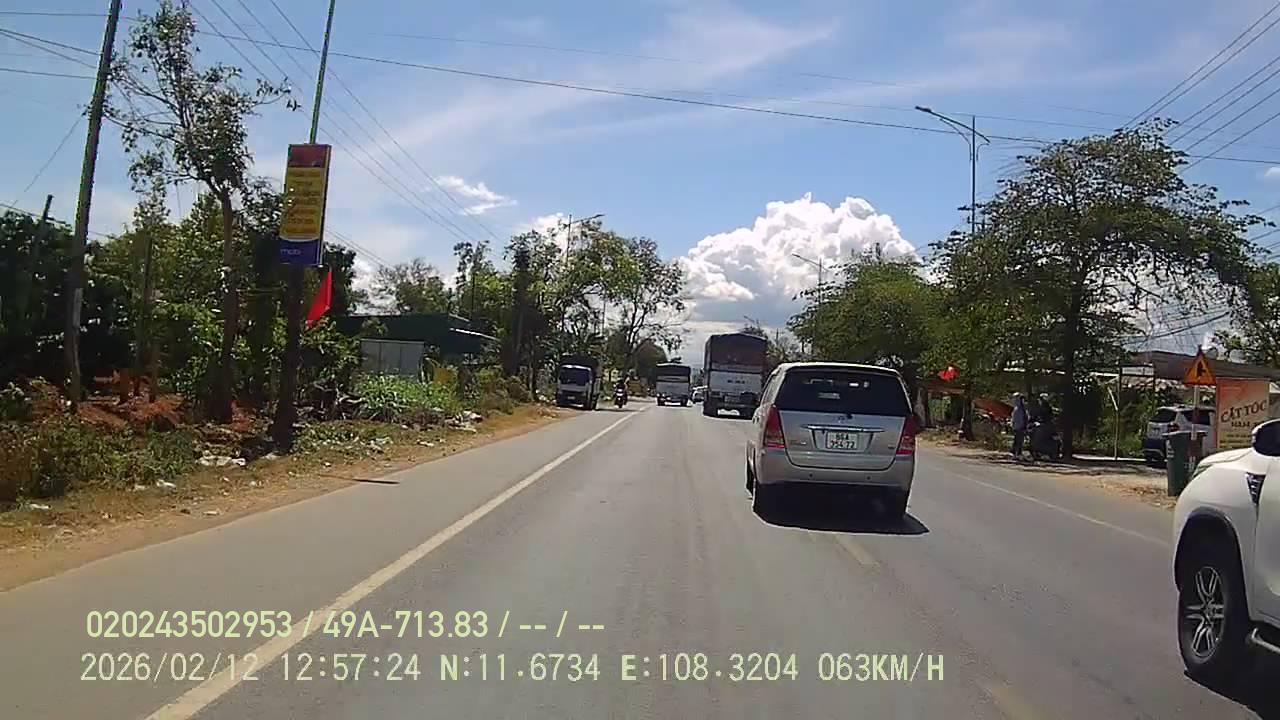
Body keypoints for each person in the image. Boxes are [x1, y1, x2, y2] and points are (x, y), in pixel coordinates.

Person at [1010, 393, 1028, 459]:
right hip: (1019, 427)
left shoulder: (1020, 408)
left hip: (1019, 426)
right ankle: (1017, 453)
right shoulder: (1019, 409)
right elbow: (1017, 418)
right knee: (1018, 440)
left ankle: (1016, 453)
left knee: (1018, 440)